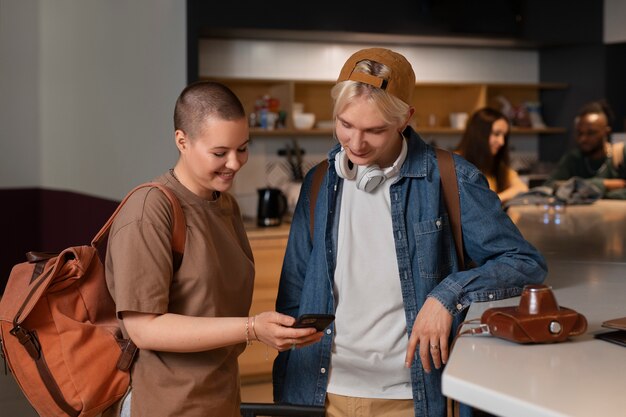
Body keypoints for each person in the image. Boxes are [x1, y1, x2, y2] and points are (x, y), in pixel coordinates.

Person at [272, 48, 547, 417]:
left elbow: (525, 263)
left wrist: (449, 295)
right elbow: (293, 295)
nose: (355, 144)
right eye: (345, 124)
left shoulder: (451, 178)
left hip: (409, 397)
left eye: (374, 131)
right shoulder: (319, 181)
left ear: (405, 120)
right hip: (320, 392)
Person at [104, 81, 323, 417]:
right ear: (182, 141)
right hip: (165, 404)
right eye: (220, 153)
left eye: (243, 148)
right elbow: (142, 328)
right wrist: (251, 328)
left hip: (220, 398)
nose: (234, 163)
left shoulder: (226, 206)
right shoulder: (150, 209)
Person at [544, 100, 626, 199]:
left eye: (591, 133)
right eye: (579, 133)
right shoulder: (574, 158)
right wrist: (604, 184)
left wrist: (580, 191)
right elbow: (549, 187)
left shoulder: (620, 154)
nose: (583, 139)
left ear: (606, 132)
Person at [455, 107, 528, 203]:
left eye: (504, 136)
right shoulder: (455, 163)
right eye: (496, 134)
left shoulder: (496, 164)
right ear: (479, 134)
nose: (502, 142)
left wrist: (494, 201)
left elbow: (522, 188)